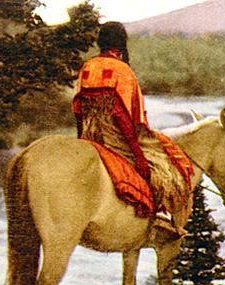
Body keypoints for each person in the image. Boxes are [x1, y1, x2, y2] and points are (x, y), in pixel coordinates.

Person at [73, 22, 191, 238]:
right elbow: (124, 116)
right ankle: (162, 217)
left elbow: (78, 108)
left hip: (90, 133)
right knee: (162, 162)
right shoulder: (123, 70)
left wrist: (82, 138)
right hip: (115, 135)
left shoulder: (87, 67)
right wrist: (138, 153)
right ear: (120, 45)